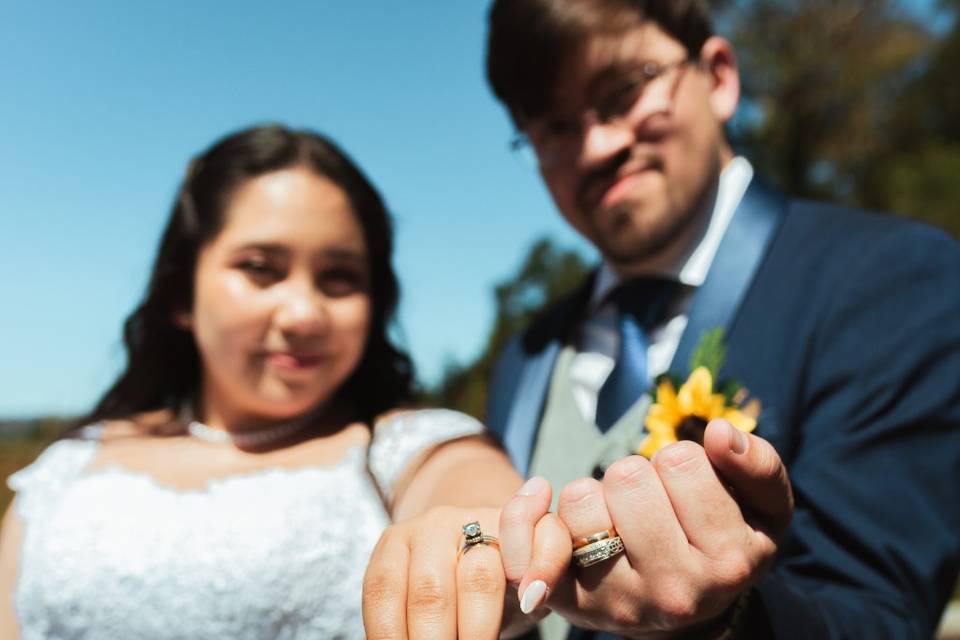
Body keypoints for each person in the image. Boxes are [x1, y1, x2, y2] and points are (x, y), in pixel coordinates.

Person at [478, 0, 960, 638]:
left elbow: (876, 613)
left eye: (623, 91)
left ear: (719, 77)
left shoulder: (893, 278)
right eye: (554, 127)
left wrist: (721, 619)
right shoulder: (525, 356)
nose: (598, 146)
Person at [0, 124, 556, 639]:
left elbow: (476, 504)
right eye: (261, 267)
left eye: (340, 278)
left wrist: (471, 538)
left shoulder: (412, 447)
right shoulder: (67, 465)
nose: (303, 315)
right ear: (180, 294)